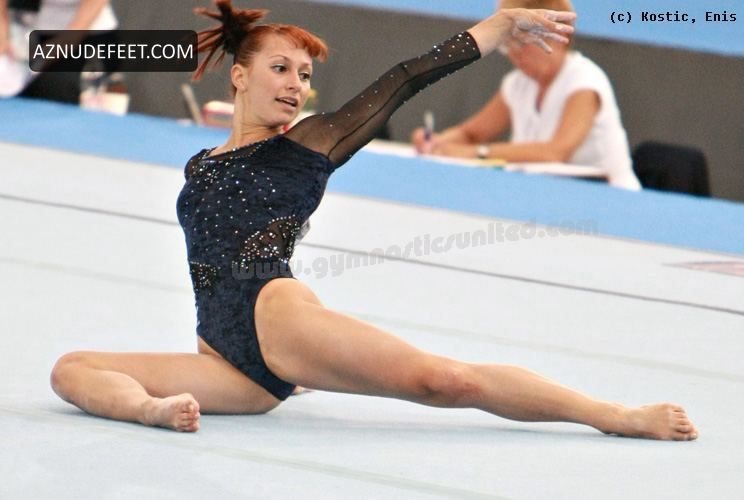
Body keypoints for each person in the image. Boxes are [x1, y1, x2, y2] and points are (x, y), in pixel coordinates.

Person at [49, 0, 697, 440]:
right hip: (225, 360)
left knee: (443, 381)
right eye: (280, 69)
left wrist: (497, 26)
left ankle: (613, 415)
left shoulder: (309, 145)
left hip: (276, 314)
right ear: (239, 76)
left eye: (304, 75)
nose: (295, 84)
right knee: (70, 369)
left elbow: (405, 79)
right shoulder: (199, 164)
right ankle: (153, 411)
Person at [411, 0, 641, 190]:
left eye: (521, 45)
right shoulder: (517, 84)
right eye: (507, 45)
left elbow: (556, 152)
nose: (514, 55)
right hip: (550, 195)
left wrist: (476, 154)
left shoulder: (585, 80)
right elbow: (470, 133)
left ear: (557, 37)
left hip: (610, 200)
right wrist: (437, 142)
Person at [0, 0, 117, 101]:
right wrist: (3, 36)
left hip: (88, 38)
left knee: (57, 86)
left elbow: (73, 35)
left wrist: (38, 59)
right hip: (33, 34)